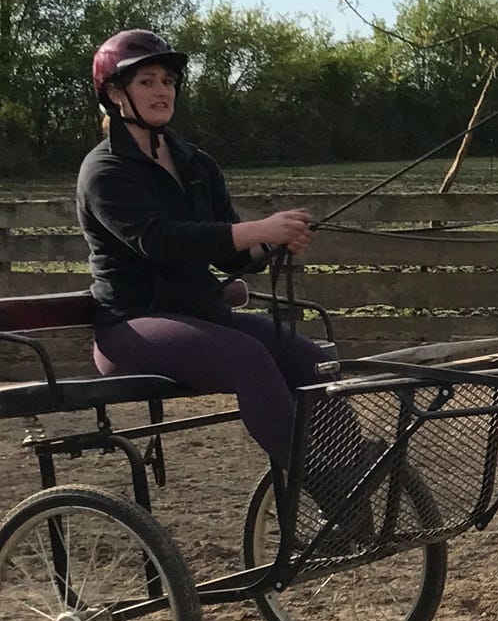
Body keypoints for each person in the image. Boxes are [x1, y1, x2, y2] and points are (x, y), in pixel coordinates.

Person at [79, 30, 353, 499]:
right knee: (247, 358)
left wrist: (274, 243)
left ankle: (355, 476)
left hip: (201, 314)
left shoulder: (195, 163)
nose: (163, 91)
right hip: (133, 326)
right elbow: (159, 241)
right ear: (114, 93)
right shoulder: (105, 171)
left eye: (168, 81)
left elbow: (227, 251)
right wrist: (260, 230)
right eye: (147, 81)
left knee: (312, 360)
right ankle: (323, 486)